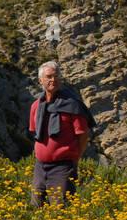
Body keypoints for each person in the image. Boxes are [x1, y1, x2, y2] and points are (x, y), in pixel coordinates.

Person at [29, 61, 95, 206]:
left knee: (61, 209)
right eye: (49, 76)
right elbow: (36, 134)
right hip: (40, 166)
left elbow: (83, 135)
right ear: (41, 81)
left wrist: (74, 158)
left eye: (57, 76)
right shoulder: (36, 106)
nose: (54, 80)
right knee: (36, 206)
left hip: (63, 167)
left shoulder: (72, 105)